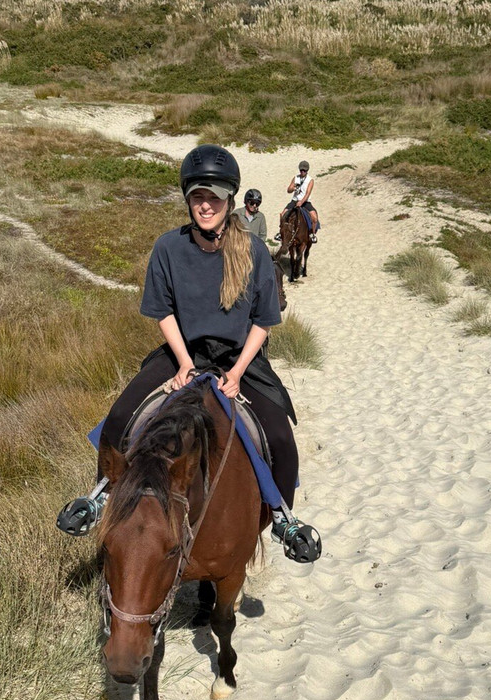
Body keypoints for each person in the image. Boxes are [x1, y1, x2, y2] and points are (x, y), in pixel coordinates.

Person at [58, 145, 320, 563]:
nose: (206, 205)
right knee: (120, 418)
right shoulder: (168, 248)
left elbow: (263, 321)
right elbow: (162, 311)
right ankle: (101, 498)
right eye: (198, 196)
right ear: (187, 199)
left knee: (280, 437)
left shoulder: (253, 251)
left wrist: (237, 372)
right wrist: (182, 362)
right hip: (184, 351)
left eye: (214, 196)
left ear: (230, 200)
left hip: (240, 357)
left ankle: (281, 517)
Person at [276, 160, 319, 243]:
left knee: (314, 217)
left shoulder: (310, 180)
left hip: (305, 202)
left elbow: (308, 193)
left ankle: (312, 234)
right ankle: (280, 232)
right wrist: (293, 188)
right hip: (295, 200)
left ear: (307, 171)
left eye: (304, 170)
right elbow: (288, 190)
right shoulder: (296, 178)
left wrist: (301, 202)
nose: (302, 172)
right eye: (301, 170)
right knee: (283, 214)